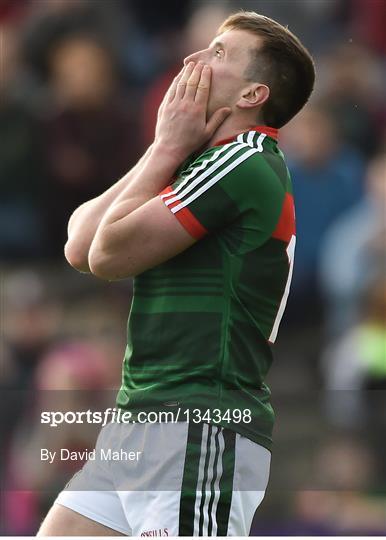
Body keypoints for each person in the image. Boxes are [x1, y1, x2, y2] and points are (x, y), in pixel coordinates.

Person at [38, 11, 315, 536]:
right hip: (141, 420)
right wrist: (165, 150)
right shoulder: (200, 160)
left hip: (198, 426)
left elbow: (107, 256)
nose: (193, 60)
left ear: (253, 95)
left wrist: (167, 146)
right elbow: (80, 243)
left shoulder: (245, 160)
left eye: (217, 53)